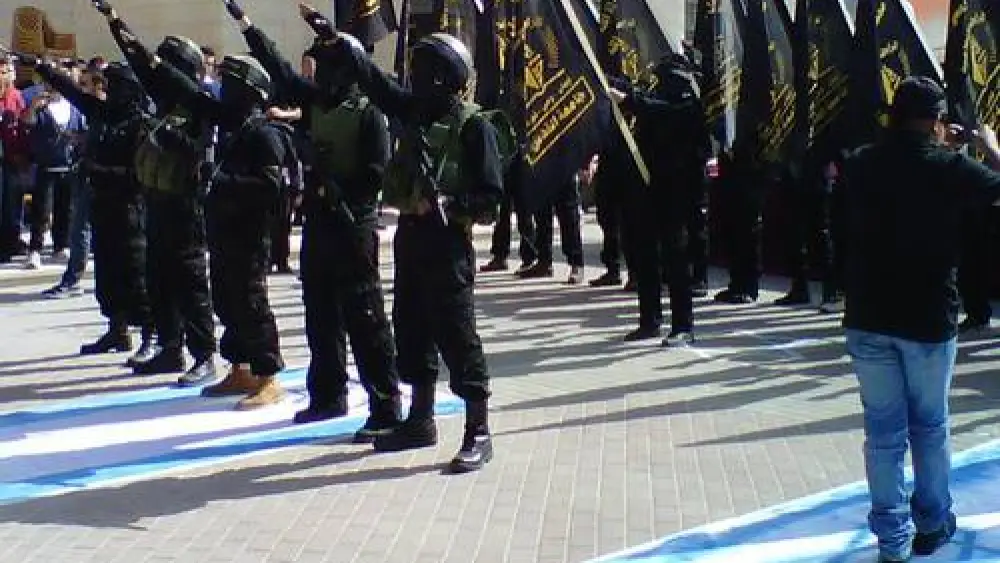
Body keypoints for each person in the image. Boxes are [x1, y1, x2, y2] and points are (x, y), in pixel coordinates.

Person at [310, 7, 502, 471]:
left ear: (442, 76)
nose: (412, 75)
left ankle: (478, 429)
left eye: (420, 68)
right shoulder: (414, 112)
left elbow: (491, 199)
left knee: (457, 336)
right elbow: (374, 83)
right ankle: (421, 419)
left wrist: (450, 207)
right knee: (411, 331)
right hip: (411, 243)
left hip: (447, 245)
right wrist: (335, 40)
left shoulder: (476, 126)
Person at [225, 0, 403, 433]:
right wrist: (246, 24)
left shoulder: (369, 114)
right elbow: (279, 68)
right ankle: (328, 395)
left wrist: (341, 194)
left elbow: (375, 175)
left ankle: (385, 406)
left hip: (353, 225)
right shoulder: (317, 103)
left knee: (365, 318)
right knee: (319, 313)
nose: (317, 73)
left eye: (326, 65)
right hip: (321, 223)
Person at [842, 76, 1000, 563]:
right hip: (928, 317)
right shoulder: (949, 167)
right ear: (935, 120)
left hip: (868, 314)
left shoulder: (861, 162)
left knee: (883, 432)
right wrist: (988, 147)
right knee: (929, 426)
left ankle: (891, 539)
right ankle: (931, 523)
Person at [98, 1, 217, 384]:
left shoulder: (199, 105)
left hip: (185, 206)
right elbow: (138, 59)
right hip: (157, 203)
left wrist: (172, 136)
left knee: (190, 283)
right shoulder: (165, 99)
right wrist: (114, 21)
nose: (160, 69)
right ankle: (170, 348)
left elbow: (198, 151)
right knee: (159, 279)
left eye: (169, 63)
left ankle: (204, 355)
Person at [611, 53, 710, 346]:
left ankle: (683, 326)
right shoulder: (657, 96)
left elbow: (663, 111)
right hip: (648, 187)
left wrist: (631, 101)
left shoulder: (686, 101)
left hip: (676, 191)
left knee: (675, 259)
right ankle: (649, 320)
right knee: (645, 257)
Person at [0, 56, 28, 263]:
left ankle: (12, 240)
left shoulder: (16, 96)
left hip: (13, 157)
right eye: (3, 72)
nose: (7, 76)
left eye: (9, 72)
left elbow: (23, 127)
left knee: (12, 203)